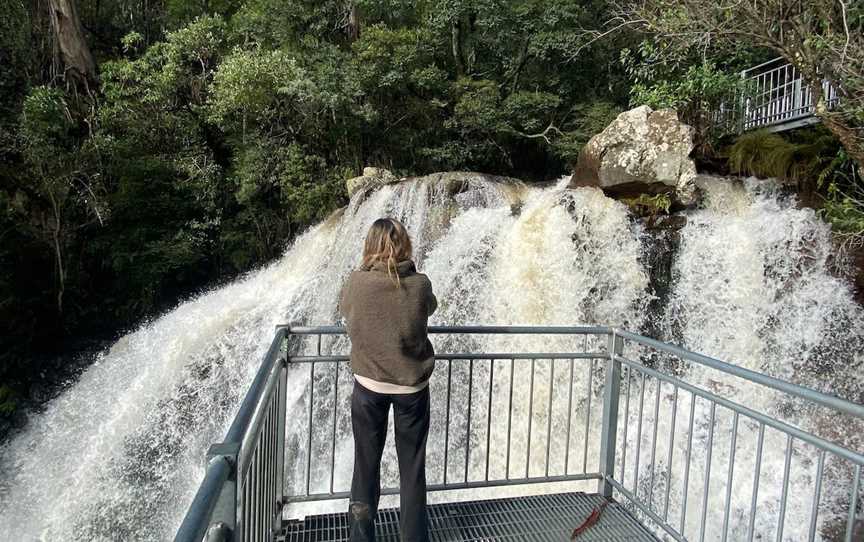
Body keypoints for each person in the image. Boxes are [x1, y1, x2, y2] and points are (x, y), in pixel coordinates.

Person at [339, 217, 438, 542]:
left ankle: (361, 537)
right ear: (404, 246)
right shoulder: (420, 284)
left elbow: (346, 309)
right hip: (412, 389)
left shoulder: (356, 282)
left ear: (370, 246)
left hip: (368, 387)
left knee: (365, 467)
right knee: (412, 470)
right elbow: (430, 307)